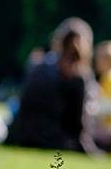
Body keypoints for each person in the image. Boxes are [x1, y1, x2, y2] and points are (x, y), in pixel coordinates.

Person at [6, 17, 99, 153]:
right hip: (52, 140)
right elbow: (77, 126)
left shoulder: (38, 66)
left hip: (20, 136)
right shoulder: (78, 76)